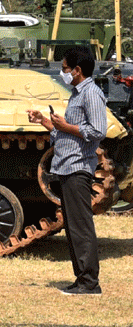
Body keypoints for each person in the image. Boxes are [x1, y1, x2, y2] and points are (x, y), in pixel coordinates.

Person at [27, 46, 108, 295]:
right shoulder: (77, 93)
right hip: (66, 165)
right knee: (73, 226)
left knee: (80, 226)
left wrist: (67, 126)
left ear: (77, 70)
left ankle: (89, 283)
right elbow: (66, 132)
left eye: (64, 69)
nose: (63, 72)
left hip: (78, 167)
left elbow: (97, 131)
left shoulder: (91, 94)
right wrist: (45, 121)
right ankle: (81, 278)